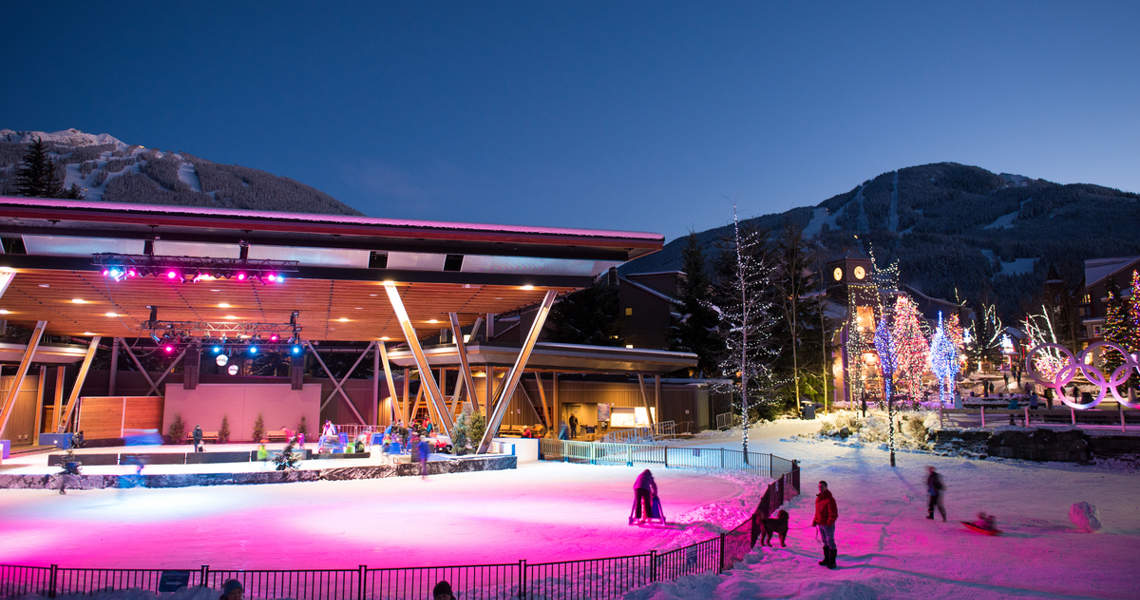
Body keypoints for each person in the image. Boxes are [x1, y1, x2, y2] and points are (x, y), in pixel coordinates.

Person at [811, 480, 838, 569]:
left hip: (827, 525)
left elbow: (833, 513)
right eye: (819, 486)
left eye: (822, 486)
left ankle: (832, 562)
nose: (820, 488)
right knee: (825, 542)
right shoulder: (819, 498)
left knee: (830, 542)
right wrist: (815, 520)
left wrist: (829, 522)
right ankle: (827, 560)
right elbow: (817, 512)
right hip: (820, 524)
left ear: (826, 487)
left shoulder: (830, 499)